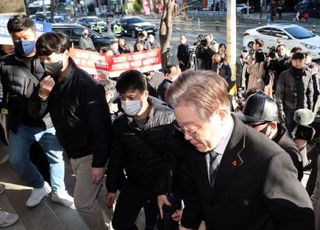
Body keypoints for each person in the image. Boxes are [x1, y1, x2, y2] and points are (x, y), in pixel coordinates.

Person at [164, 70, 314, 230]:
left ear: (221, 116)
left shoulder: (270, 159)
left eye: (192, 129)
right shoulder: (195, 144)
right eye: (181, 128)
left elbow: (300, 221)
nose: (186, 136)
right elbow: (200, 194)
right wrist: (187, 224)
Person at [29, 32, 111, 230]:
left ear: (66, 52)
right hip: (71, 151)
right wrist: (41, 95)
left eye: (49, 57)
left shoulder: (87, 86)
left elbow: (102, 129)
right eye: (41, 58)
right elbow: (34, 113)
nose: (44, 62)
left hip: (89, 154)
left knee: (82, 203)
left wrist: (99, 163)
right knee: (92, 194)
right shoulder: (50, 79)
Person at [0, 15, 73, 208]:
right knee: (17, 159)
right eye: (16, 39)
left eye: (25, 38)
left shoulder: (50, 61)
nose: (20, 42)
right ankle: (39, 186)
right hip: (20, 124)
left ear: (34, 34)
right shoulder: (4, 64)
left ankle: (59, 191)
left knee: (56, 158)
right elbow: (1, 95)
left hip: (48, 122)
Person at [105, 70, 175, 230]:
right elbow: (116, 157)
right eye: (122, 98)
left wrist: (162, 189)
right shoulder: (120, 124)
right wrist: (111, 187)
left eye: (131, 97)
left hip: (162, 184)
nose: (126, 102)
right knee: (120, 223)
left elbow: (172, 158)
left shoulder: (168, 117)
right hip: (135, 182)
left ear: (145, 94)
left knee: (157, 224)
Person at [238, 92, 304, 180]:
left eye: (252, 125)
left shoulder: (288, 155)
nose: (246, 129)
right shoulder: (252, 138)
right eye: (244, 123)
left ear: (272, 126)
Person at [275, 52, 314, 134]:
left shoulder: (308, 75)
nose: (298, 63)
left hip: (303, 109)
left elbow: (310, 94)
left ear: (303, 61)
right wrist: (280, 110)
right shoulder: (284, 75)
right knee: (288, 133)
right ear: (292, 61)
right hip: (289, 109)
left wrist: (310, 110)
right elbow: (279, 94)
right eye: (295, 60)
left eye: (300, 60)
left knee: (302, 134)